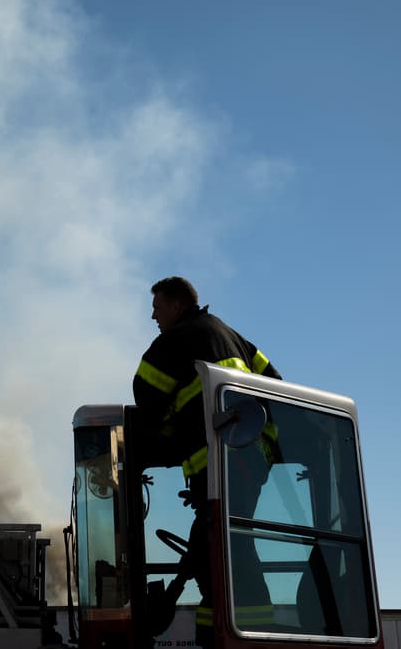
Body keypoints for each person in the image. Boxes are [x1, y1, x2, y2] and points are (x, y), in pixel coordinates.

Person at [132, 277, 280, 647]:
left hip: (216, 466)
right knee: (220, 555)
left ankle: (236, 636)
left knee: (229, 558)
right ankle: (220, 630)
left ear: (177, 306)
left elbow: (145, 393)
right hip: (249, 461)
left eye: (158, 306)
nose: (153, 315)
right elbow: (275, 383)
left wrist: (169, 431)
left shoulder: (175, 342)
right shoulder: (233, 337)